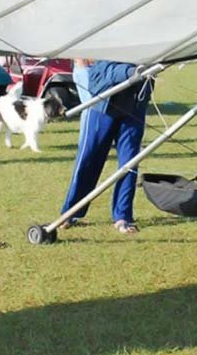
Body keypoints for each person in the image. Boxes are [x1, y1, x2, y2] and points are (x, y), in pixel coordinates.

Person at [61, 60, 151, 233]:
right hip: (102, 107)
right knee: (89, 160)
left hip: (134, 107)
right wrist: (131, 71)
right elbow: (102, 69)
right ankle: (70, 213)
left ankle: (123, 216)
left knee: (130, 163)